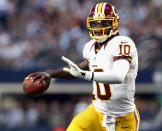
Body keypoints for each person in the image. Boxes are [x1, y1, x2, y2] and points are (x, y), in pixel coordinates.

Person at [29, 2, 140, 131]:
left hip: (123, 117)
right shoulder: (90, 47)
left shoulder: (123, 43)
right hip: (97, 111)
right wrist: (51, 74)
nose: (98, 27)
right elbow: (77, 70)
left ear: (114, 23)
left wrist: (85, 74)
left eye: (103, 23)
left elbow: (118, 76)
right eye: (95, 23)